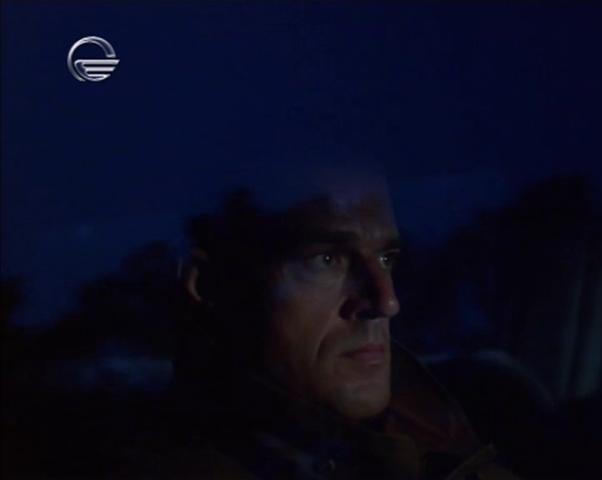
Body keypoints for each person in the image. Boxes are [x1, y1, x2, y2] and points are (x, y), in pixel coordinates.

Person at [145, 175, 519, 479]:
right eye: (326, 259)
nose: (387, 301)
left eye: (386, 259)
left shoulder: (451, 448)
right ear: (212, 284)